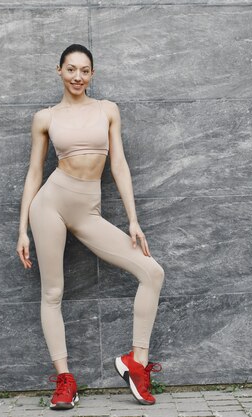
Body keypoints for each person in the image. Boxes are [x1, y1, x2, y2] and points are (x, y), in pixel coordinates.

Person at [15, 44, 165, 410]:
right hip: (49, 205)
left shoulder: (107, 110)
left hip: (88, 211)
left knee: (152, 272)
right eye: (70, 69)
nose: (77, 76)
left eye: (84, 70)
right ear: (59, 71)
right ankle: (65, 380)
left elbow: (119, 166)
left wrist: (133, 219)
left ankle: (136, 363)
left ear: (92, 74)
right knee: (53, 293)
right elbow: (35, 172)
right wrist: (22, 229)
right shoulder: (46, 118)